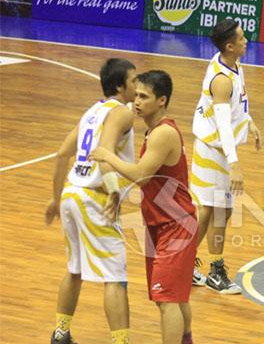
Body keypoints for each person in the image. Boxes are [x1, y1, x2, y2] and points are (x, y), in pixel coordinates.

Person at [90, 71, 197, 344]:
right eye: (136, 95)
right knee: (174, 295)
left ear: (161, 100)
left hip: (175, 225)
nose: (136, 101)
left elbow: (141, 175)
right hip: (159, 223)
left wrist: (108, 156)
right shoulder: (154, 130)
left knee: (166, 299)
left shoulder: (163, 133)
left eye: (143, 96)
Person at [44, 58, 137, 344]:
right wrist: (113, 191)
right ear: (121, 86)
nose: (138, 85)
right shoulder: (122, 113)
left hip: (72, 193)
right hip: (94, 196)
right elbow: (104, 152)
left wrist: (55, 198)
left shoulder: (92, 111)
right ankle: (120, 341)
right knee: (115, 277)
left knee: (75, 269)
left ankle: (61, 332)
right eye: (134, 81)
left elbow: (62, 154)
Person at [191, 19, 262, 294]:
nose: (247, 41)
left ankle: (187, 263)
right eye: (242, 38)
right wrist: (235, 165)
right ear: (230, 46)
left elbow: (236, 106)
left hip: (216, 149)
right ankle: (213, 270)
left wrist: (249, 121)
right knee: (213, 210)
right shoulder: (221, 81)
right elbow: (222, 123)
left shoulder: (230, 63)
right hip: (213, 152)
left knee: (219, 210)